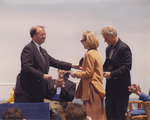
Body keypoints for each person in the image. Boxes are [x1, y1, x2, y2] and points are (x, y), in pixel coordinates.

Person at [15, 25, 78, 103]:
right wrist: (42, 76)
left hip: (38, 92)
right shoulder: (29, 48)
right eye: (42, 35)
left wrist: (73, 65)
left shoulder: (43, 51)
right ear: (34, 36)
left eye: (45, 34)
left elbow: (55, 62)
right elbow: (26, 67)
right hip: (27, 93)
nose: (44, 36)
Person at [70, 31, 106, 120]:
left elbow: (89, 73)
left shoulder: (89, 54)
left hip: (91, 88)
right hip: (97, 87)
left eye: (82, 40)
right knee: (98, 115)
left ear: (88, 40)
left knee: (91, 115)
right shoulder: (96, 53)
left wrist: (76, 74)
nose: (82, 42)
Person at [101, 25, 132, 120]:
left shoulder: (124, 48)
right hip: (110, 90)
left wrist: (112, 74)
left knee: (120, 116)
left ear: (113, 35)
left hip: (121, 90)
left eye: (106, 38)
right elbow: (108, 65)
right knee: (110, 116)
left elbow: (127, 66)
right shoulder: (108, 49)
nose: (105, 41)